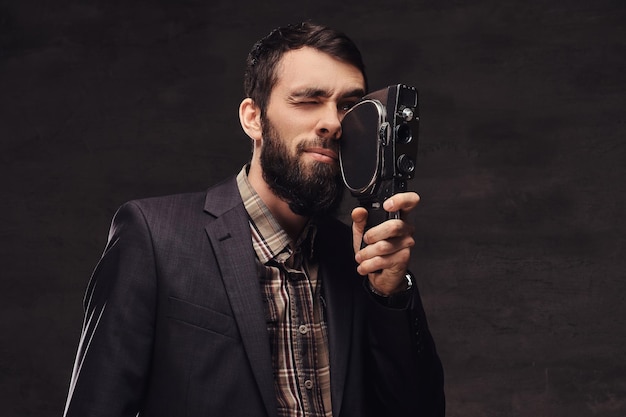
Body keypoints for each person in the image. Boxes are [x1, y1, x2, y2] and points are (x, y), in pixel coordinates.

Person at [63, 22, 444, 417]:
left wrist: (390, 296)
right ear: (253, 118)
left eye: (348, 105)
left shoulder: (359, 258)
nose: (333, 122)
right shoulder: (154, 236)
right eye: (308, 100)